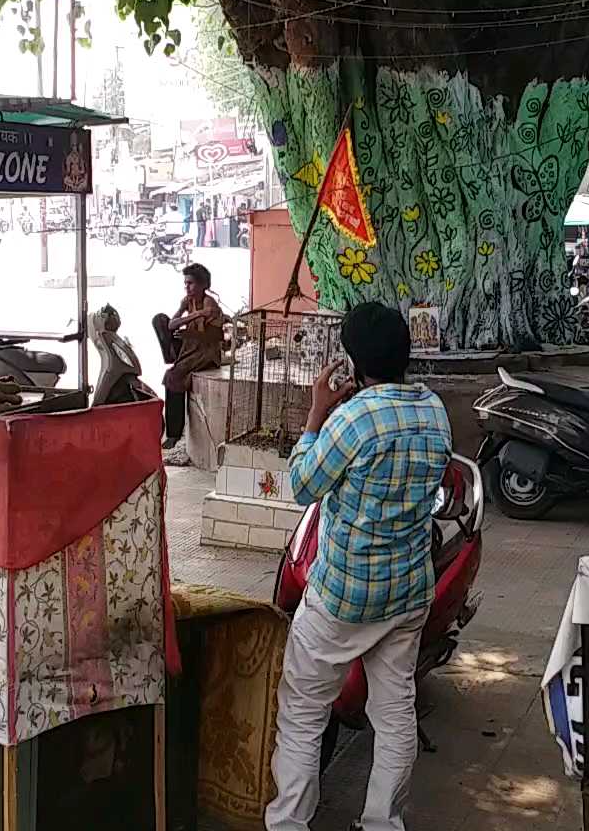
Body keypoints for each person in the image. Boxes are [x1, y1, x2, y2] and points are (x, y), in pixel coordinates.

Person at [267, 303, 450, 831]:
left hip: (343, 597)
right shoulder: (434, 410)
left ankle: (287, 824)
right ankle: (381, 823)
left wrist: (315, 415)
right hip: (409, 592)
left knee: (303, 711)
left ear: (351, 361)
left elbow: (303, 485)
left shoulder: (353, 418)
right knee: (395, 715)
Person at [152, 263, 226, 465]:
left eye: (191, 283)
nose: (187, 287)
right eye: (185, 283)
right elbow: (171, 323)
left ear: (203, 285)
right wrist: (193, 316)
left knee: (173, 376)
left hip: (206, 351)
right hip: (191, 347)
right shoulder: (188, 302)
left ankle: (175, 433)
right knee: (159, 321)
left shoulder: (210, 304)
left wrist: (191, 330)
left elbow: (215, 336)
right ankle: (174, 431)